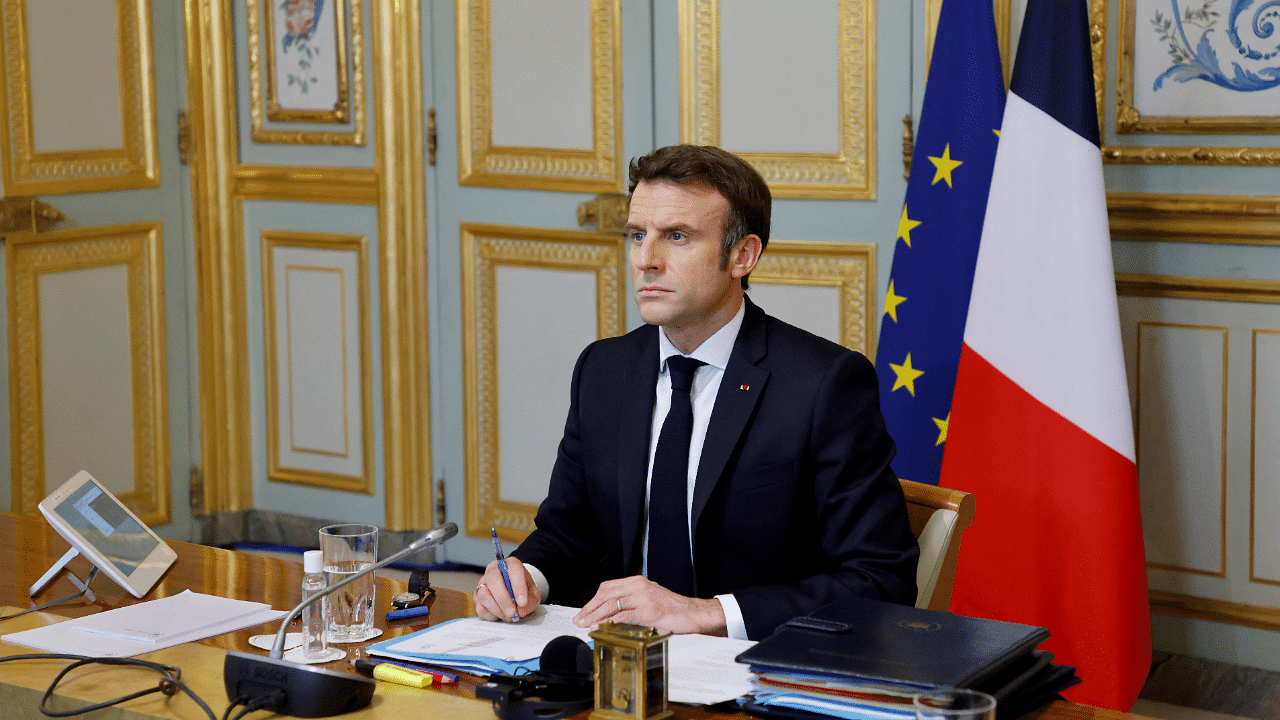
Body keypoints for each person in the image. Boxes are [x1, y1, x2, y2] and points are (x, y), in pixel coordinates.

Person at [473, 144, 918, 640]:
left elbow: (882, 581)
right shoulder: (604, 370)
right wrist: (525, 575)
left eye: (677, 236)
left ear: (742, 255)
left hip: (752, 671)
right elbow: (567, 534)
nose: (646, 260)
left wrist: (706, 614)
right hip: (619, 661)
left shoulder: (824, 384)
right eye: (637, 235)